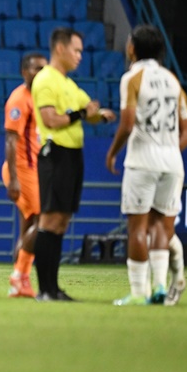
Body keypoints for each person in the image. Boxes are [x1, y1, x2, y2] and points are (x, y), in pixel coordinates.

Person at [104, 25, 187, 305]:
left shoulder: (132, 78)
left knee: (138, 228)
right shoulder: (173, 81)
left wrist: (112, 153)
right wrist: (168, 151)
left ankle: (138, 293)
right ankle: (159, 287)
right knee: (161, 228)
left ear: (132, 48)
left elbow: (127, 123)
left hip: (142, 161)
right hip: (173, 163)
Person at [31, 27, 116, 301]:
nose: (80, 56)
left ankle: (53, 288)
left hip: (72, 155)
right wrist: (82, 113)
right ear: (60, 48)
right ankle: (45, 289)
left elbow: (88, 111)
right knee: (49, 219)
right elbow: (51, 119)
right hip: (55, 153)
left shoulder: (68, 84)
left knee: (61, 221)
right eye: (76, 50)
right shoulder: (45, 79)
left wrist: (100, 115)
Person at [2, 52, 47, 298]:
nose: (41, 73)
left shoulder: (40, 98)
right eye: (36, 69)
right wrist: (14, 179)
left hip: (33, 169)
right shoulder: (19, 99)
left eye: (44, 69)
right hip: (22, 169)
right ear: (24, 72)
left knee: (28, 227)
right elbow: (11, 140)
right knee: (42, 221)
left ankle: (19, 281)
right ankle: (20, 275)